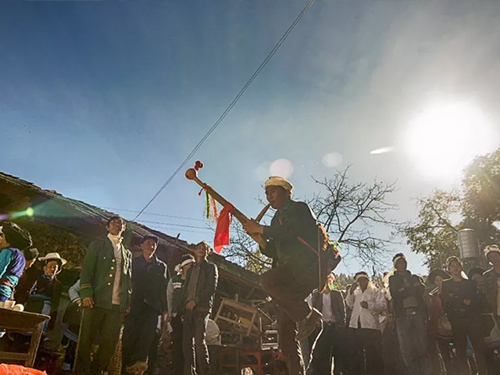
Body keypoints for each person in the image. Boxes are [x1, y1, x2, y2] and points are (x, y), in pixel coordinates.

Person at [243, 176, 340, 375]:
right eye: (267, 193)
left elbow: (290, 232)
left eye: (273, 191)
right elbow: (274, 251)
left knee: (267, 280)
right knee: (286, 337)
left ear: (287, 192)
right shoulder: (274, 220)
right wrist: (261, 240)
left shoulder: (299, 209)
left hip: (306, 268)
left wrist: (261, 229)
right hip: (289, 276)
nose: (269, 196)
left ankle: (310, 315)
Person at [75, 216, 133, 375]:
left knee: (110, 343)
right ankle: (81, 372)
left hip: (116, 306)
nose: (117, 224)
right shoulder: (97, 245)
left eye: (121, 223)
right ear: (107, 227)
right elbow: (86, 271)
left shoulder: (127, 254)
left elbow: (128, 279)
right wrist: (86, 293)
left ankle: (96, 371)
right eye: (114, 222)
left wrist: (127, 301)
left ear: (124, 229)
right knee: (86, 340)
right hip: (95, 301)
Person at [122, 235, 168, 374]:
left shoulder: (161, 266)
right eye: (148, 243)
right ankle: (125, 368)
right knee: (129, 337)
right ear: (141, 246)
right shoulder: (132, 262)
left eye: (154, 244)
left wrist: (165, 310)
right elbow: (126, 283)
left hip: (152, 308)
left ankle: (139, 365)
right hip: (134, 306)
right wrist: (125, 303)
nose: (151, 246)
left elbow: (164, 289)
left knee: (147, 339)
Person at [442, 256, 487, 375]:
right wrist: (461, 301)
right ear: (449, 269)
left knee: (479, 349)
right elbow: (446, 302)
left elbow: (475, 300)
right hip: (457, 321)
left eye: (457, 265)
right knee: (461, 351)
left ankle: (482, 372)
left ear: (461, 266)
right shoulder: (446, 284)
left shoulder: (470, 283)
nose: (455, 268)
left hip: (472, 319)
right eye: (452, 266)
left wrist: (463, 300)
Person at [389, 253, 433, 375]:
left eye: (403, 262)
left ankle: (427, 372)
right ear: (396, 265)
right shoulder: (393, 279)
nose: (402, 265)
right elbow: (395, 294)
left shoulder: (414, 277)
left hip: (418, 313)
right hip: (402, 315)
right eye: (399, 263)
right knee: (407, 348)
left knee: (423, 345)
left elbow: (421, 290)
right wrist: (411, 289)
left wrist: (405, 290)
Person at [180, 241, 218, 375]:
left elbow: (210, 288)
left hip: (201, 308)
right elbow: (185, 289)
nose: (201, 250)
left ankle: (205, 372)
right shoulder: (190, 269)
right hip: (187, 309)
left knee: (199, 342)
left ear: (207, 252)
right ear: (195, 251)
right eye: (199, 248)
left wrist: (195, 301)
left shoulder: (211, 268)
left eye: (204, 248)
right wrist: (182, 308)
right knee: (187, 344)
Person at [345, 271, 386, 375]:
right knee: (356, 353)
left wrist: (369, 305)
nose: (362, 282)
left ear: (368, 281)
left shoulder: (375, 291)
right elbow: (349, 304)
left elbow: (382, 306)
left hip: (370, 327)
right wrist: (350, 292)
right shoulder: (355, 292)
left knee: (372, 354)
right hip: (355, 326)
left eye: (364, 280)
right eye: (360, 281)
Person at [308, 273, 346, 375]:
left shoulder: (336, 294)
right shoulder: (316, 295)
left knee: (337, 353)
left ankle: (337, 372)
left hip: (335, 326)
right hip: (322, 327)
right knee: (322, 352)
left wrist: (341, 324)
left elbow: (342, 311)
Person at [166, 254, 195, 374]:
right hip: (176, 317)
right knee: (177, 345)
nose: (190, 268)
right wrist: (168, 313)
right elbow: (169, 297)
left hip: (189, 317)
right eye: (188, 265)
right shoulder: (174, 280)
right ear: (182, 267)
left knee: (188, 346)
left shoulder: (193, 282)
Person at [23, 253, 66, 327]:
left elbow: (55, 304)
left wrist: (52, 322)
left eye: (55, 268)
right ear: (44, 268)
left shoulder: (57, 285)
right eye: (50, 266)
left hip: (44, 310)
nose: (52, 269)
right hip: (30, 306)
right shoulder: (34, 278)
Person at [427, 269, 453, 375]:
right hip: (440, 328)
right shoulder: (432, 296)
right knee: (445, 354)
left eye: (441, 280)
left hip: (455, 326)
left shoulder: (453, 292)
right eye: (437, 280)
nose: (439, 282)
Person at [0, 222, 32, 302]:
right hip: (7, 293)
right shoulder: (21, 257)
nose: (1, 239)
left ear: (8, 238)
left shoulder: (7, 251)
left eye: (3, 236)